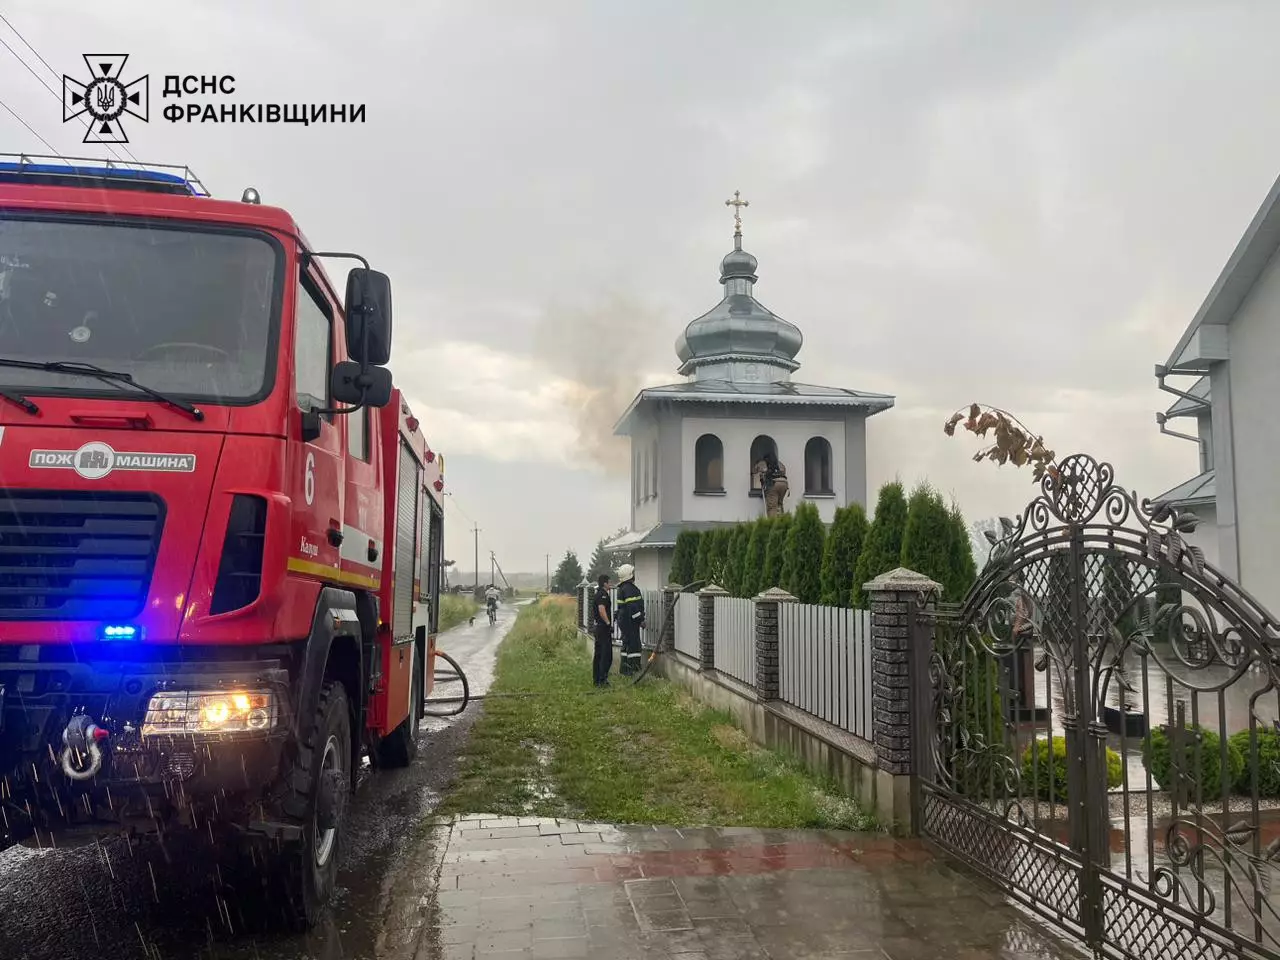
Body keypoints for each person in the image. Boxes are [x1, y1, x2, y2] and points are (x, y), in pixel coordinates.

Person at [614, 564, 646, 676]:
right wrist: (640, 620)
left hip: (624, 621)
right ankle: (634, 669)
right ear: (629, 575)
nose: (635, 575)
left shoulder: (622, 588)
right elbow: (633, 607)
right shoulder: (629, 589)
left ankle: (624, 669)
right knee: (634, 645)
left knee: (626, 644)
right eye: (633, 573)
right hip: (630, 622)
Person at [592, 573, 614, 687]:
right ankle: (602, 680)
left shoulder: (598, 594)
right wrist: (608, 623)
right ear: (605, 583)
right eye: (610, 582)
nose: (611, 584)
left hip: (598, 628)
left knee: (599, 654)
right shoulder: (603, 595)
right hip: (603, 628)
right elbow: (601, 609)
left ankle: (597, 680)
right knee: (606, 655)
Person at [762, 450, 789, 517]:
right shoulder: (779, 463)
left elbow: (758, 470)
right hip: (784, 483)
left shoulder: (765, 463)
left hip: (774, 483)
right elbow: (784, 470)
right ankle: (782, 521)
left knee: (772, 507)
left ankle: (773, 525)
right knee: (779, 504)